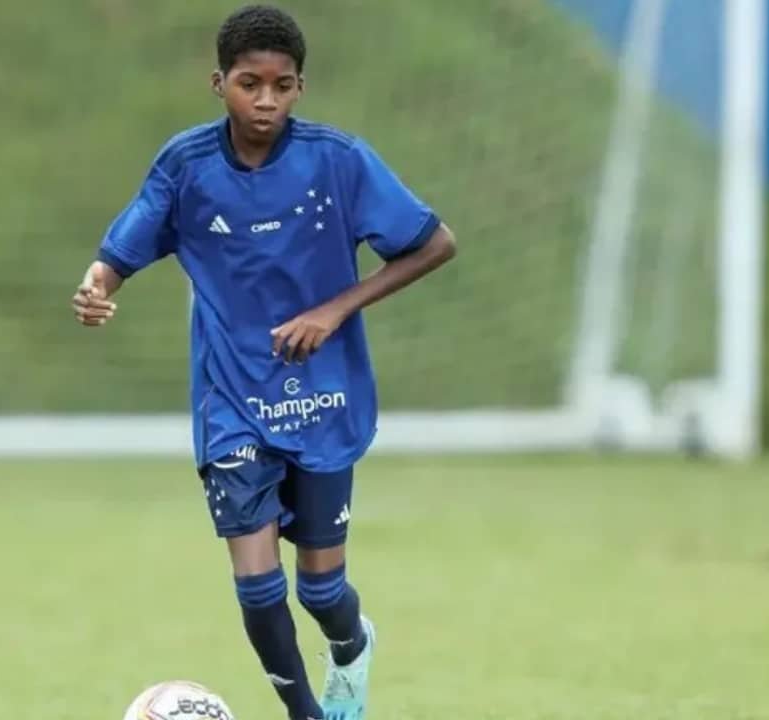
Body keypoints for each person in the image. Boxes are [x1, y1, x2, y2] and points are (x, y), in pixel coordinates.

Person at [71, 5, 456, 719]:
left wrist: (335, 308)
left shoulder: (337, 161)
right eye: (251, 84)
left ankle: (351, 644)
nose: (266, 101)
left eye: (282, 86)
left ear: (300, 88)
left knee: (319, 590)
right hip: (233, 398)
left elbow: (434, 243)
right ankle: (305, 713)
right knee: (256, 585)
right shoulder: (187, 166)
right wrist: (98, 285)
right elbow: (121, 249)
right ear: (220, 83)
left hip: (324, 396)